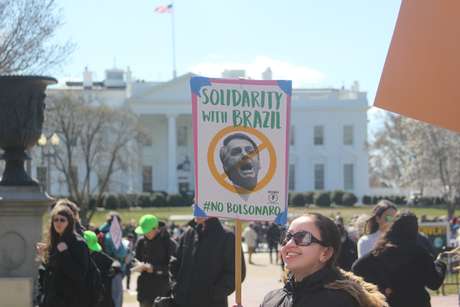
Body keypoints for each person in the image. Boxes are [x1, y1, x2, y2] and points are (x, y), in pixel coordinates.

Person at [260, 213, 388, 307]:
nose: (289, 244)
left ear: (325, 253)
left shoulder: (341, 302)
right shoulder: (271, 299)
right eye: (287, 237)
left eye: (303, 237)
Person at [352, 212, 446, 307]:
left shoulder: (381, 251)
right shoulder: (420, 253)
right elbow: (434, 283)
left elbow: (357, 268)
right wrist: (440, 264)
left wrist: (380, 287)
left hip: (389, 303)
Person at [169, 216, 246, 307]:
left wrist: (214, 294)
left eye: (198, 203)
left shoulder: (228, 236)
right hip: (182, 302)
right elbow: (174, 263)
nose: (194, 207)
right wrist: (176, 287)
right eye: (194, 203)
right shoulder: (188, 233)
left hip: (212, 303)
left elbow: (236, 272)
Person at [36, 204, 91, 307]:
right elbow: (47, 274)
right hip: (50, 301)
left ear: (69, 222)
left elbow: (80, 275)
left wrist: (65, 253)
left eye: (62, 220)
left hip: (70, 301)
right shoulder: (54, 243)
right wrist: (44, 256)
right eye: (56, 220)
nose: (58, 223)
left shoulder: (78, 243)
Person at [133, 215, 176, 307]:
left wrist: (155, 269)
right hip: (144, 290)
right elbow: (135, 259)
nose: (145, 234)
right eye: (143, 231)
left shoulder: (168, 243)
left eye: (147, 231)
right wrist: (138, 265)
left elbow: (174, 268)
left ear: (156, 228)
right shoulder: (141, 242)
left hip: (162, 291)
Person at [100, 212, 128, 307]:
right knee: (116, 299)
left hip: (103, 269)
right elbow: (121, 252)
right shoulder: (113, 234)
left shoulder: (101, 231)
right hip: (115, 270)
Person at [83, 230, 115, 307]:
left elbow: (114, 264)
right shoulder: (77, 258)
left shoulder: (99, 255)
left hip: (99, 295)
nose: (91, 250)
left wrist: (111, 271)